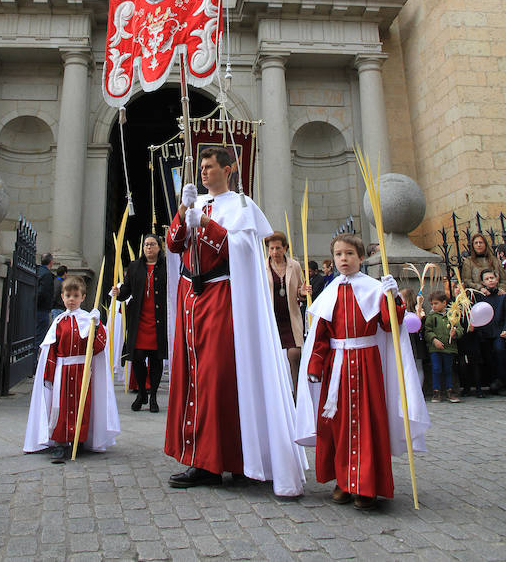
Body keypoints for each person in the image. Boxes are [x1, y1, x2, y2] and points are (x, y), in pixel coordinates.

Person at [165, 147, 306, 496]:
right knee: (193, 375)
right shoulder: (195, 203)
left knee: (217, 375)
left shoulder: (242, 205)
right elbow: (174, 245)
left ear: (228, 169)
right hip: (191, 298)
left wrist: (207, 225)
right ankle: (201, 459)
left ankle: (232, 458)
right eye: (201, 167)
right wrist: (183, 213)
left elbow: (240, 250)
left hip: (221, 296)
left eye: (210, 167)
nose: (203, 172)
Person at [295, 234, 429, 510]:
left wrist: (393, 298)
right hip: (338, 369)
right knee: (340, 425)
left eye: (349, 254)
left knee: (368, 423)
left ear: (360, 258)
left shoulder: (374, 289)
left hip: (367, 364)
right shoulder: (329, 292)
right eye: (338, 254)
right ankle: (344, 482)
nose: (343, 259)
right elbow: (320, 335)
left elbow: (389, 325)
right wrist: (315, 366)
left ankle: (367, 485)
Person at [24, 275, 119, 463]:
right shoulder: (59, 321)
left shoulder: (88, 320)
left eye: (76, 296)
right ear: (62, 297)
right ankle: (60, 442)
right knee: (60, 406)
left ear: (83, 297)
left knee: (82, 406)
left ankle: (79, 440)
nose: (71, 299)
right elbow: (51, 349)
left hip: (82, 370)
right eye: (68, 295)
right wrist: (49, 374)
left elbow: (98, 347)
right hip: (63, 371)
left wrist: (97, 327)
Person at [112, 234, 167, 413]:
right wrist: (118, 293)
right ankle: (142, 392)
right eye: (146, 244)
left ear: (159, 247)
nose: (148, 247)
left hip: (158, 320)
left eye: (152, 244)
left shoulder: (166, 267)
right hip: (139, 320)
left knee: (156, 359)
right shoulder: (135, 266)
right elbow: (127, 290)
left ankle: (153, 397)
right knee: (137, 357)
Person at [264, 231, 304, 396]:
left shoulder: (294, 266)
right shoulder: (262, 267)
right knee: (273, 359)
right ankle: (278, 396)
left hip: (290, 317)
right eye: (271, 248)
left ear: (285, 248)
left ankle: (297, 395)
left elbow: (300, 290)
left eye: (278, 248)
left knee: (294, 355)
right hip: (271, 319)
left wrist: (303, 292)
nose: (275, 252)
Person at [424, 289, 463, 403]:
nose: (433, 306)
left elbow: (460, 329)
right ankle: (436, 391)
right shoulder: (431, 316)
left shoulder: (452, 315)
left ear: (444, 303)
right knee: (436, 369)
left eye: (436, 303)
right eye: (432, 304)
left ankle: (450, 391)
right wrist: (434, 339)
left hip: (449, 348)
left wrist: (455, 333)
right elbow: (427, 331)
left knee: (448, 369)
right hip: (435, 348)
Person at [476, 269, 506, 393]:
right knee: (488, 357)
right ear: (483, 282)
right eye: (487, 279)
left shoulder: (502, 296)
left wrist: (505, 329)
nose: (490, 280)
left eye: (492, 278)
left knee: (500, 351)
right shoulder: (480, 296)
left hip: (499, 332)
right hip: (485, 332)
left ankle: (502, 381)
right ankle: (493, 383)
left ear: (497, 279)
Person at [35, 252, 54, 356]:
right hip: (42, 309)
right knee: (39, 337)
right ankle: (35, 361)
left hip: (34, 308)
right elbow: (43, 292)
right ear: (51, 262)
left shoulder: (37, 271)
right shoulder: (47, 274)